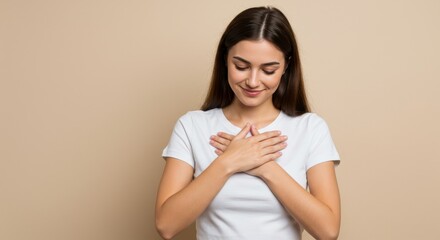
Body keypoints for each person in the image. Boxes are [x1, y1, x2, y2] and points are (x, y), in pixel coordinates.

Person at [156, 6, 341, 240]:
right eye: (241, 67)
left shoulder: (310, 129)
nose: (253, 81)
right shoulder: (192, 126)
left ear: (286, 67)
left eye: (268, 70)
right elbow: (166, 225)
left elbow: (328, 230)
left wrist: (265, 166)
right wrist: (228, 162)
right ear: (225, 60)